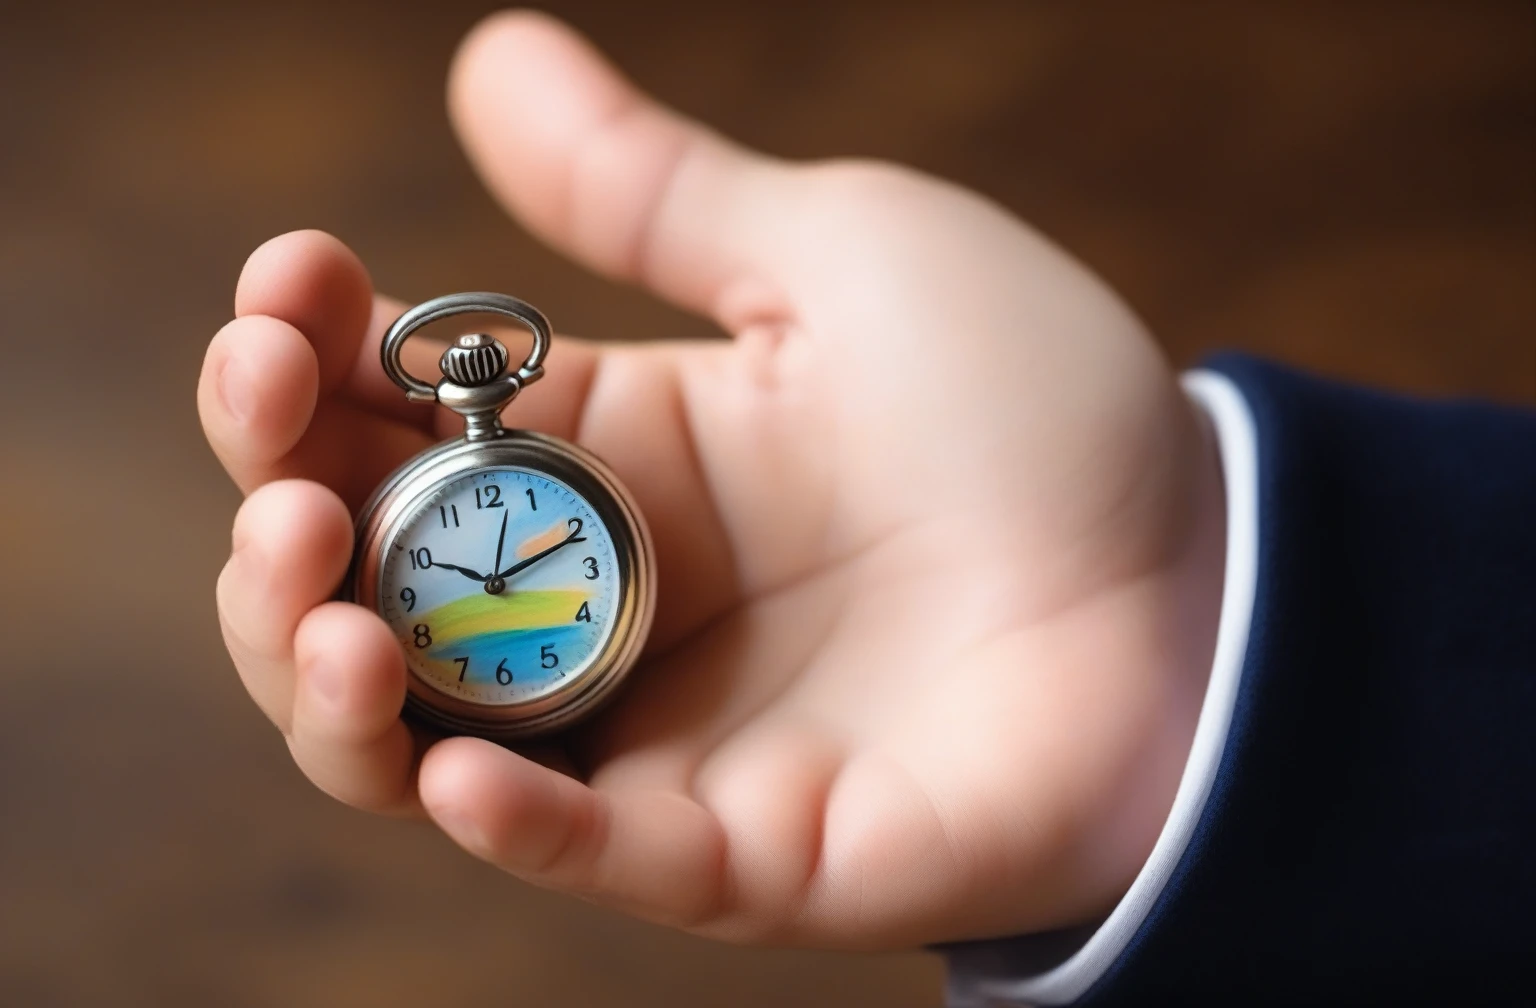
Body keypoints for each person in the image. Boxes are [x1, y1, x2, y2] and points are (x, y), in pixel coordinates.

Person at [196, 11, 1534, 1006]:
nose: (491, 587)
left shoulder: (568, 512)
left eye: (523, 565)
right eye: (469, 582)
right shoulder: (538, 503)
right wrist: (1209, 578)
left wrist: (1196, 567)